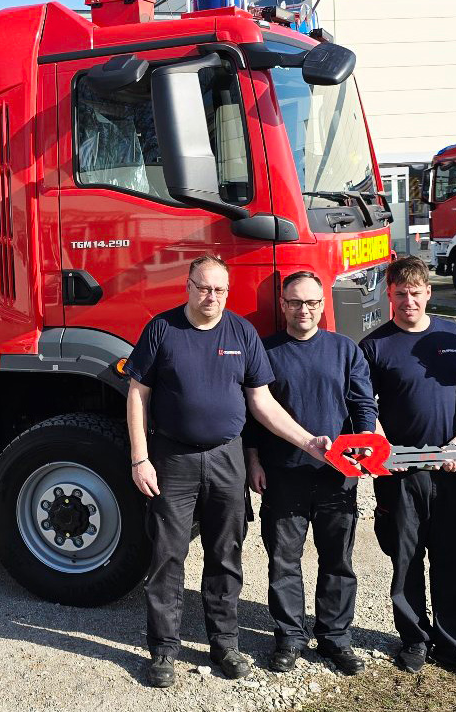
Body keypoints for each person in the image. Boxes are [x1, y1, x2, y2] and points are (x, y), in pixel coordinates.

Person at [127, 255, 336, 689]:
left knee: (226, 555)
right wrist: (139, 457)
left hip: (228, 458)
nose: (212, 297)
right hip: (173, 459)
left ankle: (225, 644)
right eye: (204, 288)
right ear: (188, 286)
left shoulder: (241, 331)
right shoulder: (162, 329)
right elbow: (137, 394)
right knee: (168, 557)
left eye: (220, 290)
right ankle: (163, 650)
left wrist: (307, 440)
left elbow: (262, 402)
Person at [358, 256, 456, 681]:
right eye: (400, 293)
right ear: (389, 294)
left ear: (429, 292)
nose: (409, 300)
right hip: (399, 473)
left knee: (453, 557)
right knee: (405, 557)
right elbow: (365, 408)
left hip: (449, 470)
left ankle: (455, 644)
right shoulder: (374, 346)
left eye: (416, 292)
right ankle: (414, 638)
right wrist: (383, 448)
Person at [245, 271, 377, 676]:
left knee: (338, 560)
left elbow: (363, 404)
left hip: (337, 475)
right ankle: (289, 636)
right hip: (283, 474)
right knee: (284, 560)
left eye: (312, 302)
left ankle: (335, 638)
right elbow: (252, 414)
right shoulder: (264, 351)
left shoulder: (344, 350)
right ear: (283, 304)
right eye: (295, 302)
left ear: (323, 305)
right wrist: (253, 459)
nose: (304, 309)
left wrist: (367, 441)